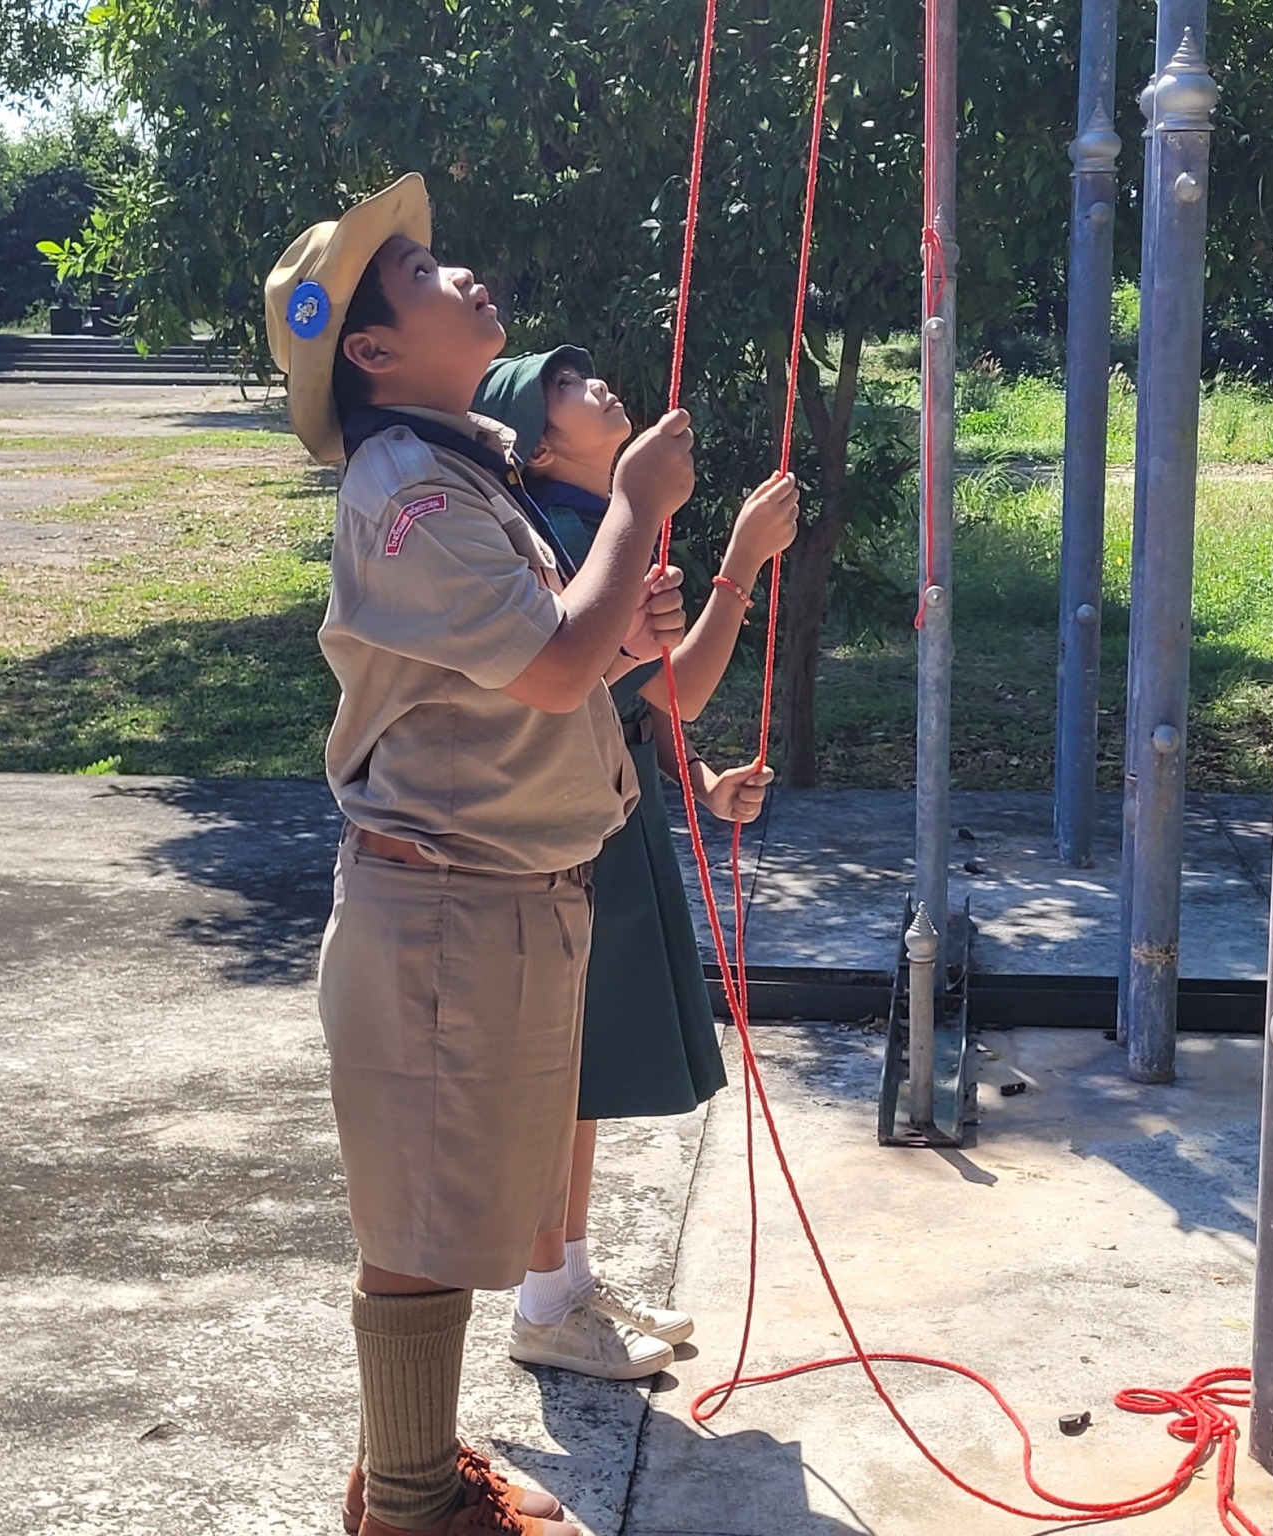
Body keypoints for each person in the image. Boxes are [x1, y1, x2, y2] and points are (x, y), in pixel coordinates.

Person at [264, 176, 695, 1536]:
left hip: (489, 898)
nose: (460, 277)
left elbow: (528, 672)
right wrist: (632, 508)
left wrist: (615, 626)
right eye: (422, 277)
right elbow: (555, 667)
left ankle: (413, 1475)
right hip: (450, 909)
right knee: (423, 1229)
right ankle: (411, 1508)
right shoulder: (407, 492)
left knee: (448, 1208)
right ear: (373, 351)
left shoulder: (455, 469)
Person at [473, 347, 798, 1379]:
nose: (596, 383)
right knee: (559, 1073)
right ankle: (543, 1300)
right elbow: (674, 685)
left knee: (584, 1072)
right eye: (564, 385)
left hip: (607, 820)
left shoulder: (594, 528)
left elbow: (644, 706)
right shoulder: (564, 539)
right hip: (570, 836)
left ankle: (566, 1284)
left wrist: (698, 784)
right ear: (538, 443)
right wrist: (741, 563)